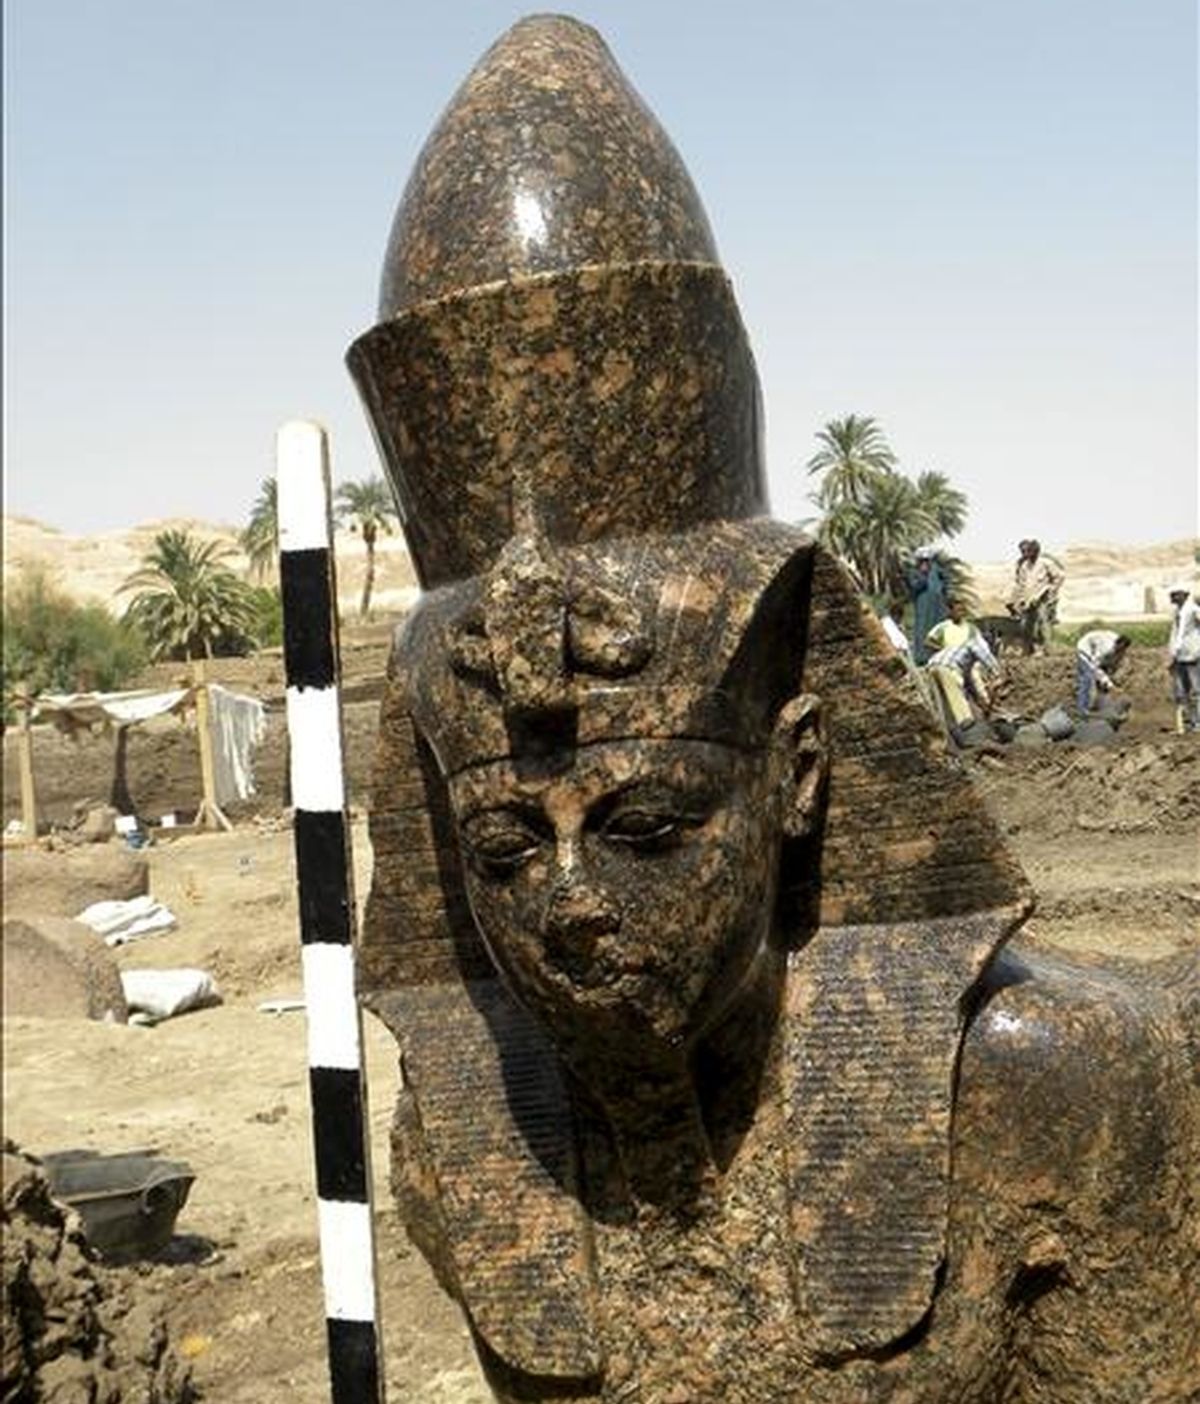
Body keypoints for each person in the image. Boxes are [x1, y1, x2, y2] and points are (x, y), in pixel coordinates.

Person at [348, 17, 1199, 1401]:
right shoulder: (462, 1145)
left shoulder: (1055, 1093)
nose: (565, 905)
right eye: (504, 848)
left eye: (646, 827)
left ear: (797, 771)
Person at [924, 597, 1001, 730]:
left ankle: (984, 703)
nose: (960, 613)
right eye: (957, 610)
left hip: (937, 664)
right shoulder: (944, 627)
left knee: (972, 681)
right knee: (956, 688)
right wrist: (997, 672)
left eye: (962, 610)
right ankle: (965, 720)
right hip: (950, 665)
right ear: (950, 611)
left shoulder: (971, 628)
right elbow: (985, 655)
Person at [1006, 538, 1064, 654]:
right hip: (1029, 600)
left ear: (1036, 552)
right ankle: (1028, 650)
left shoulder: (1045, 563)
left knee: (1044, 624)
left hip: (1043, 599)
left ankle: (1048, 650)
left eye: (1030, 552)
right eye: (1026, 552)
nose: (1028, 554)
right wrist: (1020, 599)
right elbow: (1022, 584)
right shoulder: (1024, 566)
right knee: (1026, 625)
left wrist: (1051, 590)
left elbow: (1059, 577)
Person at [1167, 581, 1200, 733]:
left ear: (1184, 595)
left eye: (1175, 595)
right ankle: (1187, 723)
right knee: (1182, 691)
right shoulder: (1177, 613)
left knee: (1195, 691)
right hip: (1179, 656)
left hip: (1193, 654)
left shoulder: (1193, 610)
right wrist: (1172, 655)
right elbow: (1174, 635)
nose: (1172, 597)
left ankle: (1197, 722)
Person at [1074, 628, 1131, 715]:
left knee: (1103, 680)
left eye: (1123, 650)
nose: (1121, 652)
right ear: (1117, 644)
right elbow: (1095, 667)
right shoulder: (1106, 648)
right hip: (1085, 649)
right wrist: (1110, 684)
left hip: (1096, 648)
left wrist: (1109, 679)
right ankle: (1081, 710)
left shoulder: (1117, 643)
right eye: (1120, 649)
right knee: (1087, 678)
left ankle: (1101, 705)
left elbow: (1111, 663)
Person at [904, 548, 946, 663]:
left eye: (927, 561)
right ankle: (921, 659)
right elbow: (915, 587)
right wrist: (923, 576)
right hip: (923, 609)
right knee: (922, 633)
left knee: (937, 632)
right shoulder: (914, 573)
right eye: (922, 561)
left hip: (938, 609)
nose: (925, 563)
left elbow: (945, 587)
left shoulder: (938, 572)